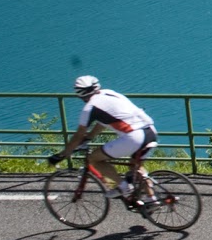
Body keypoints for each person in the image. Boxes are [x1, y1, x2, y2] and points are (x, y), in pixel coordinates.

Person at [46, 76, 159, 208]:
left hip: (134, 137)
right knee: (135, 167)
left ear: (79, 94)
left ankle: (124, 187)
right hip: (150, 131)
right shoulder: (110, 93)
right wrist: (89, 138)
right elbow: (103, 123)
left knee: (94, 158)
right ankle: (153, 199)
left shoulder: (90, 108)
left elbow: (78, 135)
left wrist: (62, 155)